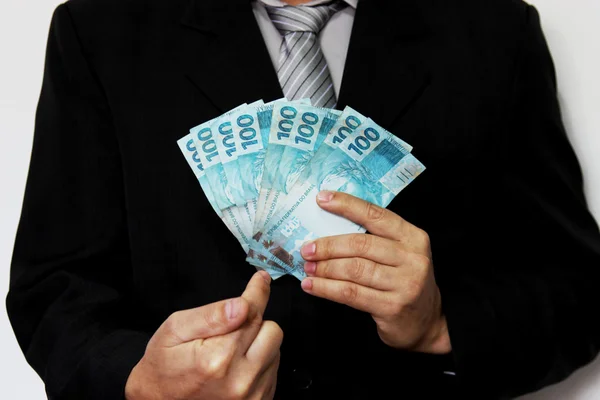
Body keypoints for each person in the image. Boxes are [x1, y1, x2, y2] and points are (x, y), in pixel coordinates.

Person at [7, 0, 600, 398]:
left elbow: (579, 291)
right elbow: (55, 285)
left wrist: (440, 324)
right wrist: (138, 379)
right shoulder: (102, 28)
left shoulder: (492, 28)